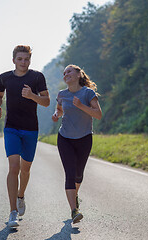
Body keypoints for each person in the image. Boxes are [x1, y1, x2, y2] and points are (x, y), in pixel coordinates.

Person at [0, 45, 50, 228]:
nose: (23, 62)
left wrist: (32, 95)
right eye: (20, 59)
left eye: (26, 59)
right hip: (11, 128)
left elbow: (47, 102)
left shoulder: (37, 77)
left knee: (25, 170)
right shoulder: (5, 78)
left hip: (31, 130)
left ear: (30, 60)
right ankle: (12, 212)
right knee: (14, 167)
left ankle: (21, 195)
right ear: (13, 60)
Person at [52, 64, 102, 224]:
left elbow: (98, 114)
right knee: (70, 173)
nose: (66, 74)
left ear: (79, 74)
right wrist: (56, 114)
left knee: (78, 175)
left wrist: (81, 106)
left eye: (69, 72)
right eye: (64, 73)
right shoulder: (61, 94)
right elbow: (59, 109)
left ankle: (75, 197)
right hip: (65, 137)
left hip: (84, 138)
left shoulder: (88, 93)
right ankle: (74, 210)